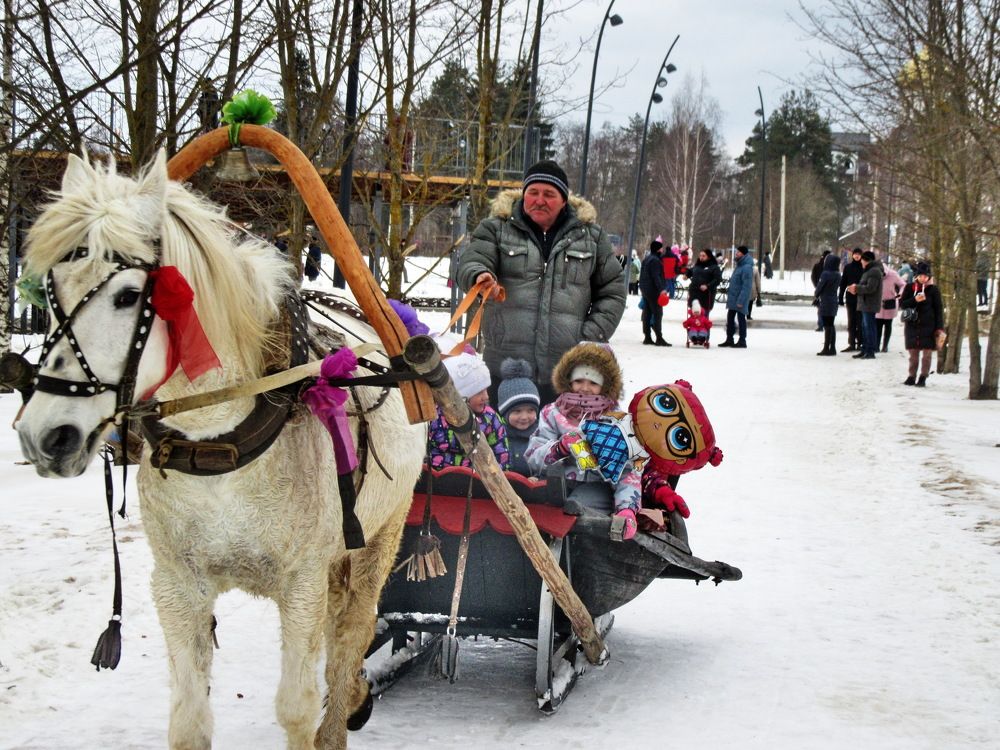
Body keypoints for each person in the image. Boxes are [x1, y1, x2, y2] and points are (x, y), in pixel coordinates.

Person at [457, 160, 626, 405]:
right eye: (533, 192)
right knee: (502, 440)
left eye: (549, 194)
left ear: (564, 200)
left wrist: (587, 336)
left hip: (566, 372)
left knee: (562, 441)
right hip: (505, 365)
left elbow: (613, 292)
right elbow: (473, 260)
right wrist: (478, 276)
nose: (539, 200)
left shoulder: (591, 237)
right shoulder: (496, 228)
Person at [525, 342, 642, 541]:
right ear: (568, 379)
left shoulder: (617, 423)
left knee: (574, 507)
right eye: (579, 380)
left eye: (593, 382)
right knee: (537, 504)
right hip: (555, 483)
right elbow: (534, 456)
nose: (585, 388)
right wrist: (558, 448)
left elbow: (628, 472)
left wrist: (626, 508)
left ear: (606, 385)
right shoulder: (552, 413)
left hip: (597, 489)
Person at [427, 352, 510, 469]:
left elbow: (501, 452)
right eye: (479, 392)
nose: (486, 397)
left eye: (486, 390)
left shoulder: (489, 418)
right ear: (460, 395)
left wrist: (500, 471)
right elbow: (427, 449)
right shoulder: (436, 417)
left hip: (478, 480)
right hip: (437, 479)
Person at [900, 262, 945, 387]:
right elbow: (902, 304)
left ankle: (923, 376)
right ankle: (911, 376)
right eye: (920, 276)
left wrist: (939, 327)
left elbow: (938, 309)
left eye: (925, 276)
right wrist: (915, 300)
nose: (923, 279)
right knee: (913, 354)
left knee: (927, 355)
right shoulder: (910, 288)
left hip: (929, 326)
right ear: (916, 276)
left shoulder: (933, 290)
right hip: (912, 326)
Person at [496, 358, 541, 476]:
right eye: (517, 411)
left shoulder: (542, 435)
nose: (524, 417)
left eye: (530, 410)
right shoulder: (497, 436)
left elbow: (549, 464)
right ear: (505, 413)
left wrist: (539, 478)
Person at [847, 250, 885, 359]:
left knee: (869, 327)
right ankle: (864, 349)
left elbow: (870, 288)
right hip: (865, 303)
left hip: (869, 303)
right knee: (864, 327)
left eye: (862, 260)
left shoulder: (874, 271)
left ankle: (870, 350)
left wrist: (856, 288)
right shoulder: (869, 270)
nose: (861, 262)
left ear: (866, 260)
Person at [718, 245, 753, 348]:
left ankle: (742, 341)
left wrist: (741, 300)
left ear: (743, 254)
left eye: (738, 252)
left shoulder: (746, 267)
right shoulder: (740, 265)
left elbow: (746, 286)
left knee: (741, 318)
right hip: (733, 298)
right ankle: (729, 339)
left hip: (739, 299)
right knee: (730, 318)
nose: (736, 254)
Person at [639, 239, 670, 346]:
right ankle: (659, 338)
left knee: (647, 314)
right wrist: (661, 289)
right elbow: (656, 276)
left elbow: (642, 275)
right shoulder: (656, 261)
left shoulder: (646, 259)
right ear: (658, 249)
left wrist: (642, 288)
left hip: (645, 290)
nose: (662, 250)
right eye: (661, 248)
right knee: (657, 314)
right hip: (654, 291)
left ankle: (647, 337)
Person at [814, 252, 841, 356]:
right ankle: (832, 347)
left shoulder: (825, 274)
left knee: (826, 324)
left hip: (825, 300)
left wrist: (816, 294)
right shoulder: (838, 274)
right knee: (831, 324)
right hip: (834, 300)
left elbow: (819, 288)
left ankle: (826, 347)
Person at [875, 263, 906, 352]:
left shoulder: (893, 274)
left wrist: (900, 294)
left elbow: (903, 284)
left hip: (890, 302)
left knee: (888, 325)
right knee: (878, 326)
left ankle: (885, 346)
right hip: (878, 303)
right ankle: (876, 346)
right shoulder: (874, 274)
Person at [838, 247, 864, 351]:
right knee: (851, 321)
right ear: (852, 255)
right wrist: (840, 296)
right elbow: (843, 282)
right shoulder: (848, 267)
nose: (857, 256)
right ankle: (851, 343)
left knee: (860, 321)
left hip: (861, 297)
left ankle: (860, 343)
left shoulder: (864, 267)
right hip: (850, 298)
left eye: (858, 254)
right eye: (855, 254)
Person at [685, 248, 722, 315]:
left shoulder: (714, 267)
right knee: (693, 318)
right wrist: (687, 275)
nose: (701, 257)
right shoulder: (697, 265)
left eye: (703, 256)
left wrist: (707, 286)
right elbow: (691, 270)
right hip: (694, 294)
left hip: (706, 296)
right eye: (700, 255)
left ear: (709, 257)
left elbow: (717, 280)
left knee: (703, 318)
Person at [811, 250, 832, 331]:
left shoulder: (831, 267)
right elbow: (813, 277)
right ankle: (821, 324)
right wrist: (817, 286)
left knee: (824, 309)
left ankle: (824, 324)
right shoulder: (817, 266)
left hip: (827, 291)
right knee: (820, 308)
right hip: (820, 290)